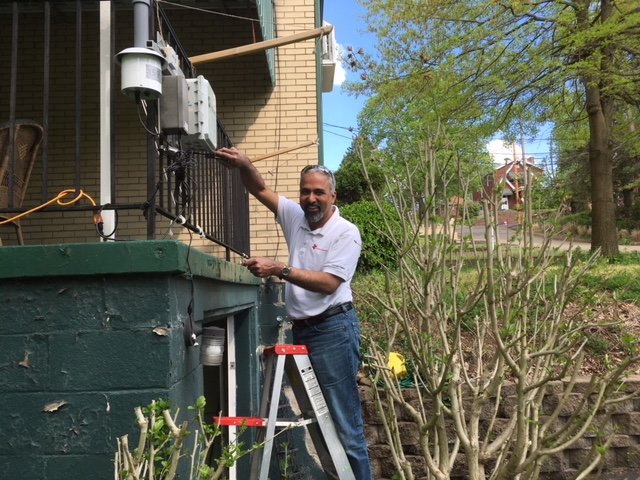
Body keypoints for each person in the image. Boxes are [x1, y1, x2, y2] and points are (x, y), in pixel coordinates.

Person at [215, 146, 372, 480]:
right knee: (321, 423)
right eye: (305, 191)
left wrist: (279, 269)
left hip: (334, 330)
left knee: (345, 426)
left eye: (318, 192)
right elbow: (259, 188)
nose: (311, 198)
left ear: (333, 196)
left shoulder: (345, 232)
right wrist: (245, 162)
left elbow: (329, 283)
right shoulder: (296, 216)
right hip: (302, 330)